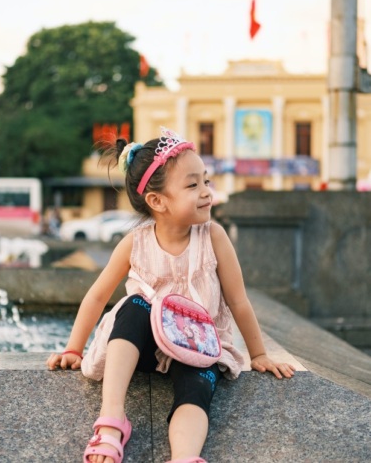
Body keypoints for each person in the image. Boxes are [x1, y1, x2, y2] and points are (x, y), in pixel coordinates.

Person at [47, 128, 295, 463]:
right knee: (134, 307)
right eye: (193, 185)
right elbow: (96, 296)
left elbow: (238, 301)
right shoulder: (136, 242)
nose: (206, 192)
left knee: (196, 391)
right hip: (148, 346)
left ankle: (184, 456)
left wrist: (259, 354)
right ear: (157, 201)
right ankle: (111, 422)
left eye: (205, 181)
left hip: (198, 345)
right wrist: (74, 348)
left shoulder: (214, 237)